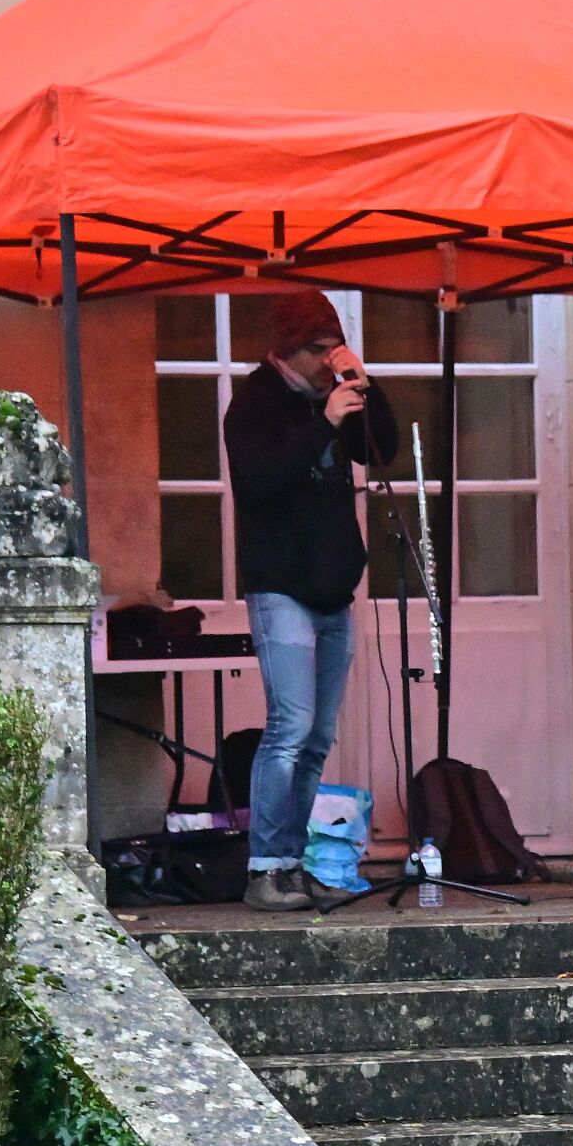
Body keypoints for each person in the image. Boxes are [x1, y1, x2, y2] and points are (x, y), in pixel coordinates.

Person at [223, 290, 399, 912]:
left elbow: (380, 450)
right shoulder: (254, 403)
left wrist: (367, 388)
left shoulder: (335, 394)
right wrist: (323, 422)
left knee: (319, 737)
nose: (330, 361)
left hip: (332, 589)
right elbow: (259, 480)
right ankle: (265, 868)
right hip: (281, 586)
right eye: (319, 350)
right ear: (287, 350)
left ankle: (294, 865)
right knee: (289, 729)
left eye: (336, 348)